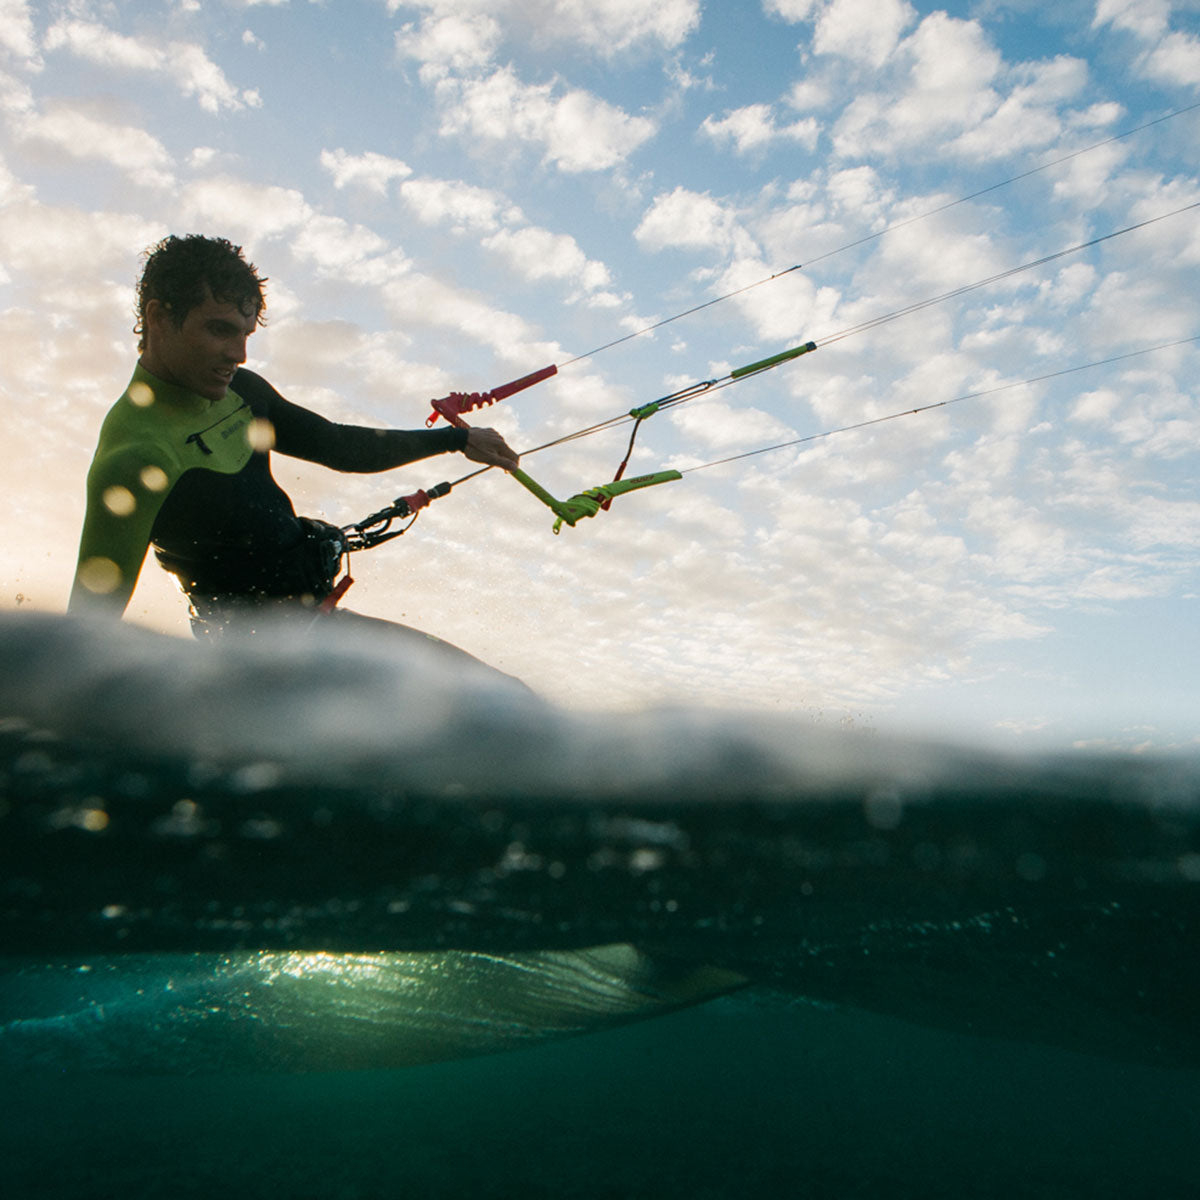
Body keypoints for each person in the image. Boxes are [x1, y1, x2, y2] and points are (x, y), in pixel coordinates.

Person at [70, 234, 521, 669]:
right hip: (252, 667)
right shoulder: (137, 457)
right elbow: (86, 628)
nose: (239, 354)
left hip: (320, 628)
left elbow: (339, 446)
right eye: (220, 330)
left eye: (246, 334)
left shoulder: (241, 392)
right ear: (159, 317)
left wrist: (457, 440)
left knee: (502, 692)